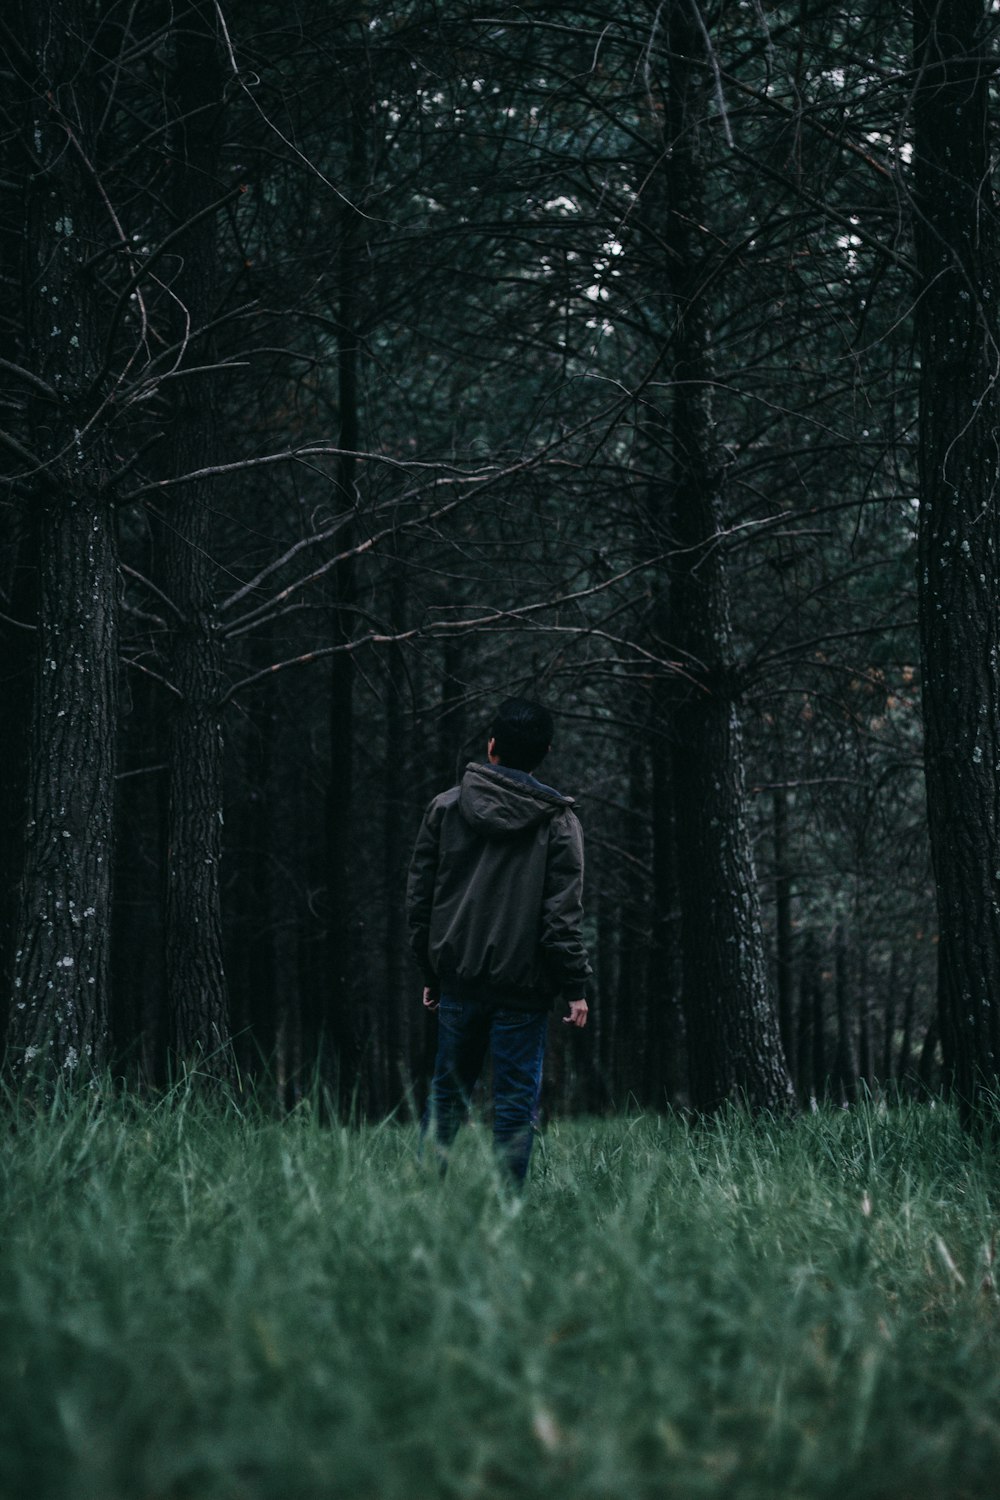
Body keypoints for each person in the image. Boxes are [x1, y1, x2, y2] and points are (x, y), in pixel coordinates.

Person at [407, 697, 591, 1183]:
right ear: (545, 752)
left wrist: (431, 972)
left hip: (458, 984)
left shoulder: (445, 809)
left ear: (492, 747)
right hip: (522, 994)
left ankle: (420, 1210)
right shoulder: (559, 822)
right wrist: (575, 986)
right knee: (513, 1109)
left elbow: (420, 903)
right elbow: (561, 919)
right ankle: (507, 1220)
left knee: (445, 1098)